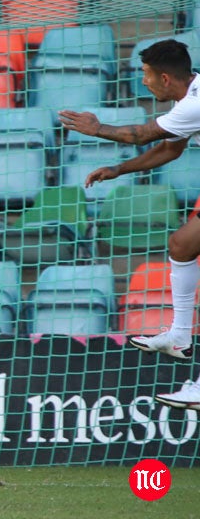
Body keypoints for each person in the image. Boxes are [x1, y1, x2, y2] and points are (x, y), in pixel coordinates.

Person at [59, 38, 200, 410]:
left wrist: (97, 128)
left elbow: (141, 134)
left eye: (146, 75)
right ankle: (180, 336)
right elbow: (170, 148)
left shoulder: (195, 103)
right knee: (181, 245)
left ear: (165, 78)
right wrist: (119, 169)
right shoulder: (188, 99)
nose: (143, 82)